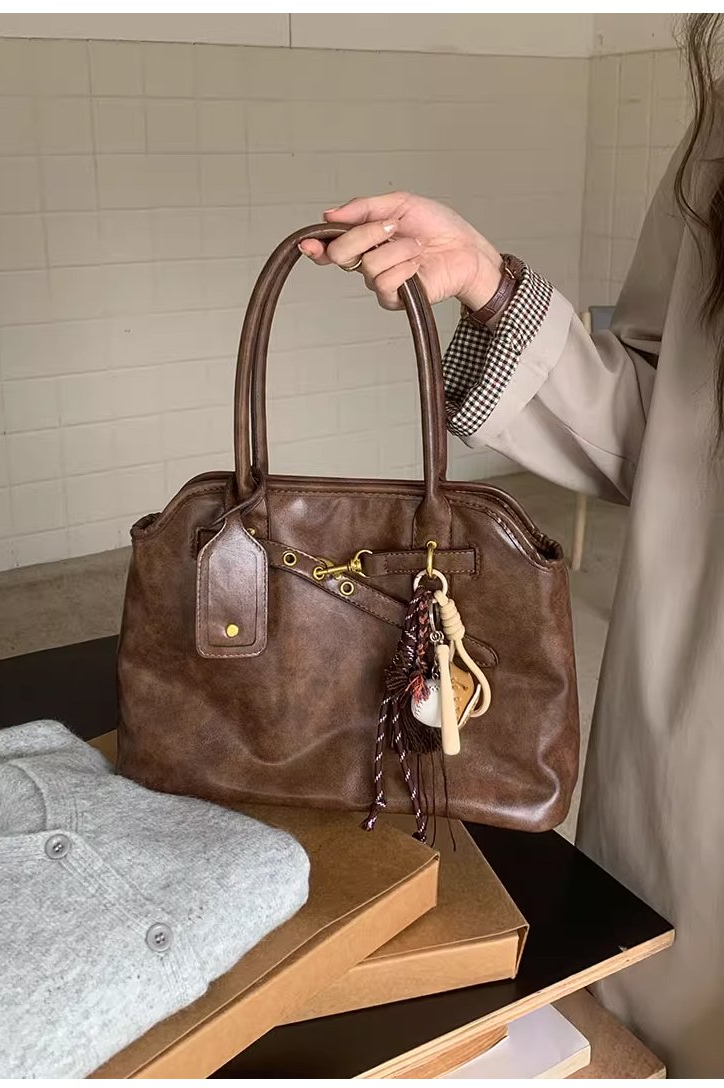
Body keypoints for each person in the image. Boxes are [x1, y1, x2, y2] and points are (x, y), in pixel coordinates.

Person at [298, 14, 724, 1078]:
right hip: (702, 731)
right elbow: (664, 424)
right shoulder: (722, 127)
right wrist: (490, 284)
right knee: (650, 1030)